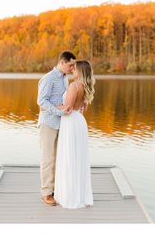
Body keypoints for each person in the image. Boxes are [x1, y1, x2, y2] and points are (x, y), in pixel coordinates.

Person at [54, 60, 95, 209]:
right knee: (78, 157)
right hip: (79, 121)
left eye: (75, 69)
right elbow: (82, 108)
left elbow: (68, 108)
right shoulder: (86, 86)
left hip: (70, 122)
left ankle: (69, 196)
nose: (72, 70)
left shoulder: (74, 86)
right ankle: (80, 195)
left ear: (81, 72)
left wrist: (51, 106)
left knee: (69, 156)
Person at [37, 51, 76, 205]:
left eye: (74, 65)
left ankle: (56, 189)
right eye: (70, 65)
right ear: (62, 62)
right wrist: (59, 111)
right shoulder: (48, 78)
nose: (72, 68)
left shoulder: (65, 79)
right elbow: (41, 101)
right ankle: (46, 192)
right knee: (48, 159)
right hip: (48, 123)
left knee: (59, 157)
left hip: (62, 124)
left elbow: (63, 99)